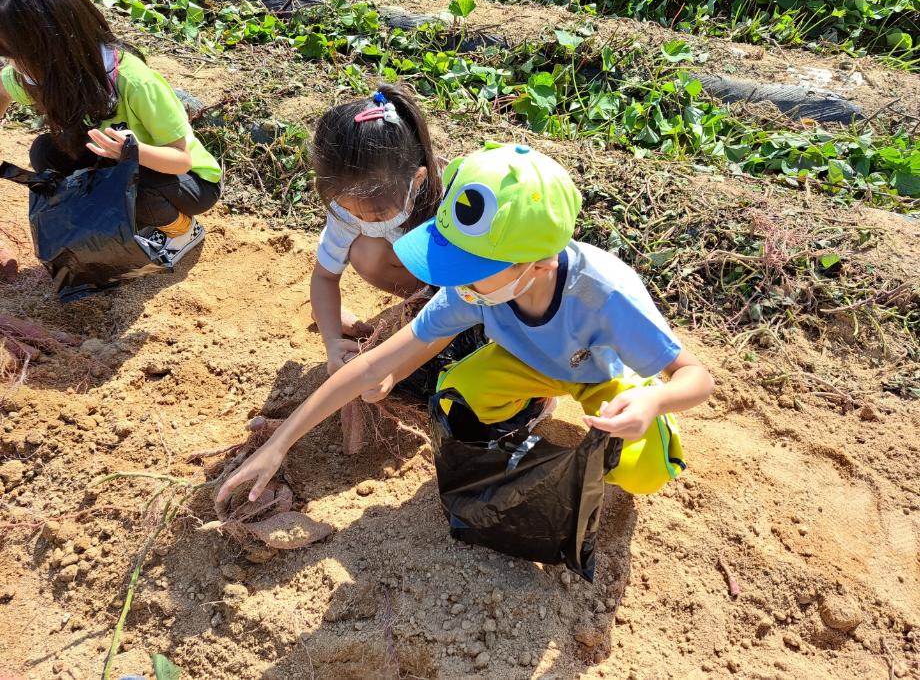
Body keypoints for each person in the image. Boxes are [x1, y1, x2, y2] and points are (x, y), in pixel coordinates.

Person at [216, 142, 714, 506]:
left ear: (538, 261)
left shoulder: (603, 293)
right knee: (457, 393)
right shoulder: (474, 291)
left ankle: (644, 417)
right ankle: (530, 417)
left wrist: (655, 399)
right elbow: (371, 368)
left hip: (600, 375)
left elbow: (697, 377)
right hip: (525, 364)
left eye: (475, 269)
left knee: (642, 474)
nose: (461, 284)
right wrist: (280, 444)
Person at [0, 0, 222, 266]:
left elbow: (181, 160)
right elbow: (2, 90)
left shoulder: (133, 81)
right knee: (45, 152)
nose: (13, 65)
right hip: (116, 161)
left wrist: (132, 151)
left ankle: (182, 231)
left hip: (187, 180)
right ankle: (120, 214)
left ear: (57, 44)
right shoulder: (38, 74)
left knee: (134, 191)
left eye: (18, 55)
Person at [309, 84, 443, 374]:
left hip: (466, 282)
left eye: (377, 214)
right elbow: (323, 277)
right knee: (364, 250)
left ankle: (435, 307)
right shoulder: (348, 206)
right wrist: (332, 340)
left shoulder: (452, 200)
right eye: (351, 210)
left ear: (417, 180)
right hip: (426, 277)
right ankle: (422, 301)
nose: (361, 220)